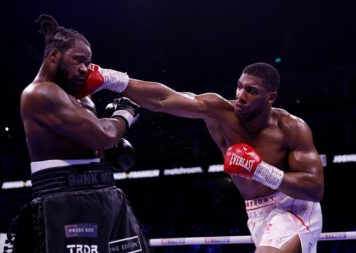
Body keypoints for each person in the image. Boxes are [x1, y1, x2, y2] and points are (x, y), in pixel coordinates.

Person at [78, 62, 324, 253]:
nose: (241, 95)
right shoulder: (219, 112)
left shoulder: (290, 128)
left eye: (251, 91)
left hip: (293, 207)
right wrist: (110, 78)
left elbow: (315, 189)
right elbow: (164, 99)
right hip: (255, 212)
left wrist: (261, 169)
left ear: (270, 97)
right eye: (239, 86)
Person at [15, 14, 150, 253]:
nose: (85, 69)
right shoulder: (40, 93)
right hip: (66, 203)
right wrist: (126, 114)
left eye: (88, 63)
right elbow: (103, 135)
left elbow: (98, 144)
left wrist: (113, 153)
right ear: (54, 55)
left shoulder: (81, 98)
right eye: (79, 60)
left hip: (105, 194)